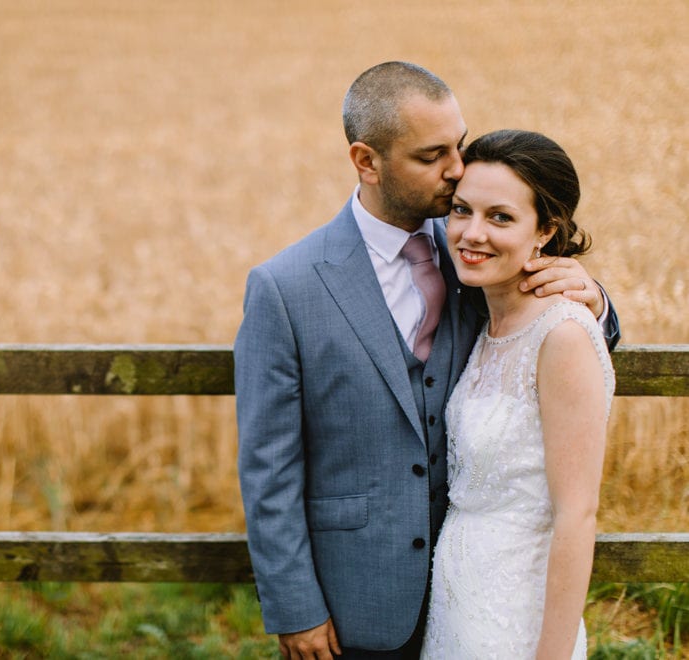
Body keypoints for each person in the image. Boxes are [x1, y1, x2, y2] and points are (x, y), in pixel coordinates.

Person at [234, 61, 620, 658]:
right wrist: (295, 607)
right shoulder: (286, 288)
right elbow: (268, 466)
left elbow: (550, 339)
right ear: (367, 161)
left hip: (478, 591)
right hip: (351, 601)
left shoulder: (474, 251)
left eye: (459, 145)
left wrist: (596, 303)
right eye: (432, 154)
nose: (458, 169)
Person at [420, 129, 615, 659]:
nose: (471, 233)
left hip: (516, 618)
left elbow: (577, 514)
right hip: (456, 602)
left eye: (500, 217)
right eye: (461, 210)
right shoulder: (486, 318)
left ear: (546, 230)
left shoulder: (563, 334)